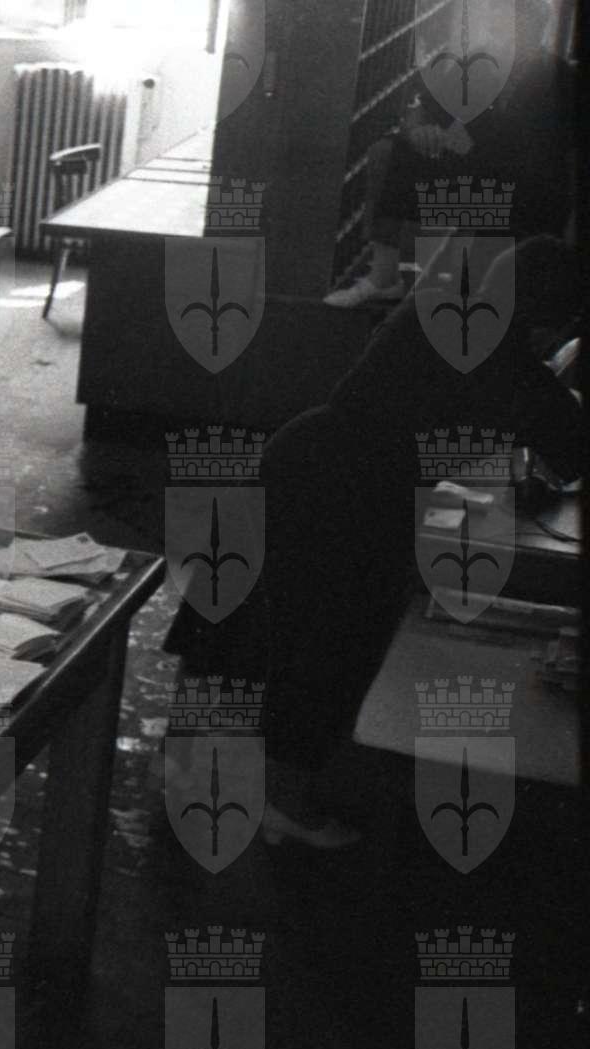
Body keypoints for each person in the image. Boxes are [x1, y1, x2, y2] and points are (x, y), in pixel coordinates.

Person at [252, 236, 581, 846]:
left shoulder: (437, 306)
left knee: (295, 634)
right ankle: (285, 802)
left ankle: (257, 778)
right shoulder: (517, 370)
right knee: (336, 648)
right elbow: (570, 451)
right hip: (354, 498)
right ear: (546, 321)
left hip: (304, 458)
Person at [325, 0, 569, 307]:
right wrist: (420, 131)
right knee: (394, 151)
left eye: (519, 22)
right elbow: (424, 109)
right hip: (475, 171)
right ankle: (384, 276)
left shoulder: (559, 77)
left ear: (538, 27)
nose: (509, 30)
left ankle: (445, 276)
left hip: (525, 187)